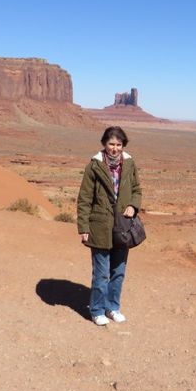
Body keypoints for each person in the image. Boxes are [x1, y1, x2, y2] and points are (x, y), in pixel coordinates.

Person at [76, 126, 142, 326]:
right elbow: (84, 198)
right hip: (100, 226)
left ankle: (112, 307)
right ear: (104, 144)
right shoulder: (94, 166)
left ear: (123, 146)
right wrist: (84, 227)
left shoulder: (129, 164)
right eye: (111, 144)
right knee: (102, 272)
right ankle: (97, 310)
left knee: (118, 271)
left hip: (122, 226)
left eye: (119, 145)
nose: (115, 148)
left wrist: (133, 205)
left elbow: (137, 189)